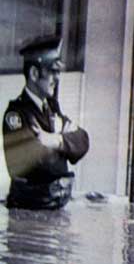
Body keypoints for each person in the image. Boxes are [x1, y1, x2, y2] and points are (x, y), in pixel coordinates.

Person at [3, 36, 90, 209]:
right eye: (51, 72)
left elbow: (83, 141)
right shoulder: (16, 114)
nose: (56, 78)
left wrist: (55, 139)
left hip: (55, 206)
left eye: (58, 72)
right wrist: (65, 141)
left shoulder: (52, 108)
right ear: (34, 74)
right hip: (28, 214)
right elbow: (36, 162)